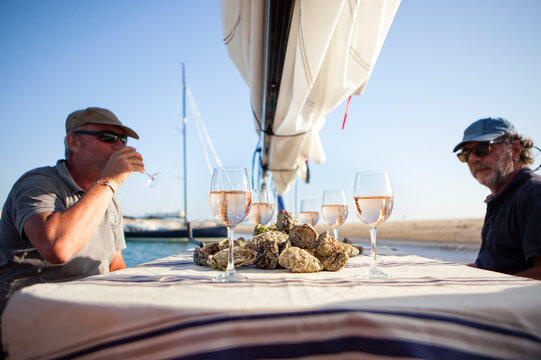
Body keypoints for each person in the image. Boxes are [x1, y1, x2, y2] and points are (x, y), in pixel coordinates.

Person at [0, 107, 145, 315]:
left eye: (123, 140)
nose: (119, 146)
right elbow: (57, 248)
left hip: (90, 310)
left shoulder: (108, 197)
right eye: (109, 137)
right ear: (73, 142)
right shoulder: (38, 183)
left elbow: (114, 265)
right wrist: (110, 181)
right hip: (29, 318)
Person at [453, 117, 541, 280]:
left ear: (515, 150)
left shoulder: (533, 193)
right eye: (466, 154)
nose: (473, 159)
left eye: (484, 148)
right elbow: (494, 266)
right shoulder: (500, 198)